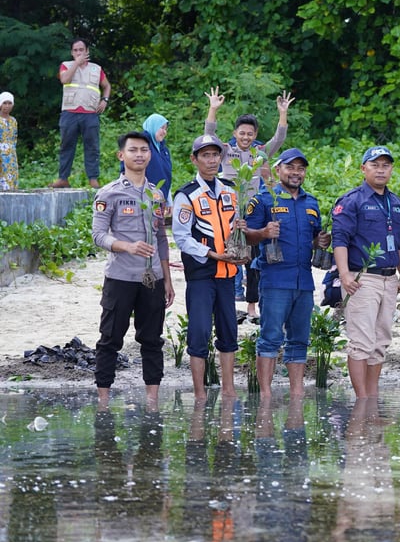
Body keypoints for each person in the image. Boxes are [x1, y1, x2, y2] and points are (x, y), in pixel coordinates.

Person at [91, 132, 176, 409]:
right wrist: (126, 247)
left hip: (152, 279)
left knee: (151, 339)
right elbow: (98, 235)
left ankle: (152, 400)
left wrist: (168, 279)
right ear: (121, 155)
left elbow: (162, 238)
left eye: (144, 150)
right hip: (120, 278)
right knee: (110, 339)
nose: (139, 155)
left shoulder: (156, 194)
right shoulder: (109, 193)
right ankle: (103, 400)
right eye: (133, 150)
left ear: (150, 155)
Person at [244, 148, 330, 397]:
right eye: (290, 167)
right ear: (278, 170)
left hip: (304, 282)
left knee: (299, 340)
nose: (296, 173)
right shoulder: (263, 199)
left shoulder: (311, 202)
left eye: (300, 168)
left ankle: (296, 395)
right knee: (270, 338)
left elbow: (313, 239)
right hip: (274, 280)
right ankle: (266, 396)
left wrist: (320, 242)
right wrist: (262, 233)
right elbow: (246, 237)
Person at [333, 146, 400, 399]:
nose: (381, 169)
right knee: (361, 342)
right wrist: (345, 275)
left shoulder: (397, 204)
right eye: (375, 164)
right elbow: (340, 239)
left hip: (390, 279)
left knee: (381, 342)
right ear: (363, 168)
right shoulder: (352, 200)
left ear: (391, 169)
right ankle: (361, 400)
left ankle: (372, 396)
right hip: (362, 278)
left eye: (385, 165)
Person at [172, 134, 247, 400]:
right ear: (195, 159)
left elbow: (235, 226)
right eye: (205, 155)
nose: (212, 160)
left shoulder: (230, 189)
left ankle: (229, 390)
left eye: (215, 154)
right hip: (202, 274)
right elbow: (181, 237)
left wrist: (241, 234)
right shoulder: (186, 194)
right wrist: (213, 254)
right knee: (199, 332)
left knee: (229, 331)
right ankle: (200, 394)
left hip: (228, 274)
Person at [205, 88, 292, 316]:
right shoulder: (224, 150)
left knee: (253, 259)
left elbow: (279, 138)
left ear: (255, 135)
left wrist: (282, 113)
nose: (245, 138)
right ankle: (224, 303)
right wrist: (213, 108)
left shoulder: (260, 153)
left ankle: (252, 306)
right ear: (235, 133)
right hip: (227, 210)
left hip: (252, 212)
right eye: (242, 133)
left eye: (250, 134)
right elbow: (209, 134)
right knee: (226, 253)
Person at [52, 39, 111, 188]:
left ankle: (93, 179)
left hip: (90, 113)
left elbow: (107, 86)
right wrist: (76, 63)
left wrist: (104, 100)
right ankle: (63, 178)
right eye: (76, 50)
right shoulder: (66, 65)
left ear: (87, 51)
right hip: (69, 112)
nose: (79, 52)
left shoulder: (96, 69)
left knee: (92, 146)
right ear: (72, 52)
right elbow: (64, 79)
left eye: (81, 49)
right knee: (66, 146)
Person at [140, 114, 173, 202]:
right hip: (144, 197)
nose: (164, 132)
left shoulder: (164, 149)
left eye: (166, 129)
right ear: (153, 126)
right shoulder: (141, 146)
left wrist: (168, 200)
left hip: (162, 196)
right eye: (162, 128)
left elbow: (166, 175)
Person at [0, 91, 17, 190]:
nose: (7, 106)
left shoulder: (13, 121)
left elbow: (14, 138)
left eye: (9, 103)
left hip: (11, 157)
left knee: (11, 182)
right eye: (4, 103)